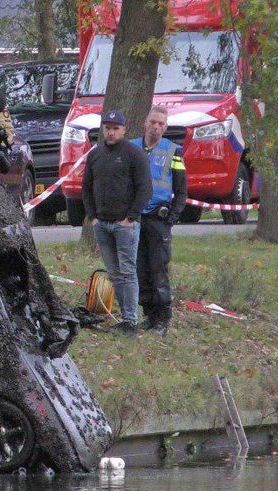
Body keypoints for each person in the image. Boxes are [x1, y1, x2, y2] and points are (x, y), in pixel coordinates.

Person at [81, 109, 153, 336]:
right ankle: (123, 316)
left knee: (127, 272)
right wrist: (92, 216)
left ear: (124, 129)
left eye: (115, 129)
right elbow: (86, 188)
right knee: (113, 273)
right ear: (103, 129)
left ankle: (131, 320)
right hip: (102, 224)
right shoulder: (95, 155)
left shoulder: (134, 154)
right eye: (107, 128)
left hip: (126, 226)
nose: (111, 133)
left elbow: (145, 189)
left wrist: (130, 218)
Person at [130, 106, 187, 337]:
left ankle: (162, 320)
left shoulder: (173, 151)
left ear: (166, 126)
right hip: (135, 218)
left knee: (158, 269)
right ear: (145, 123)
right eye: (153, 122)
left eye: (161, 124)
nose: (156, 127)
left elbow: (181, 190)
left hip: (159, 219)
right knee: (139, 269)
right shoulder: (131, 148)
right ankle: (149, 315)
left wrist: (172, 218)